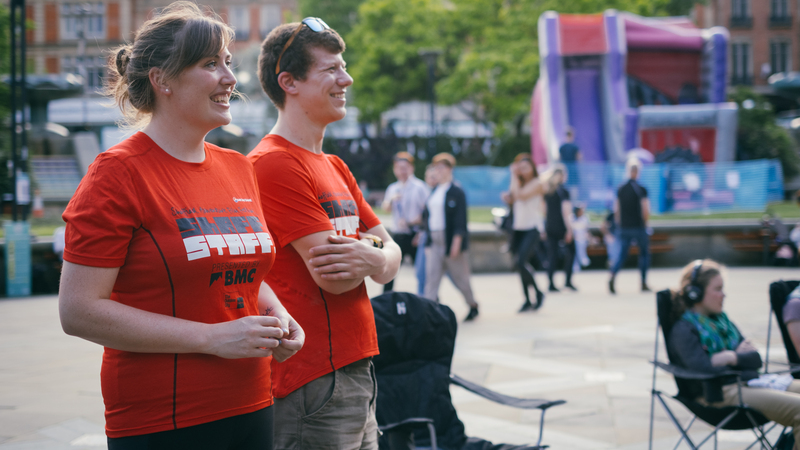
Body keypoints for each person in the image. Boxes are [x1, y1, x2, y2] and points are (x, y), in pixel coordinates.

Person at [58, 3, 304, 449]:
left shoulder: (237, 166)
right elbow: (78, 311)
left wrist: (279, 316)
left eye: (228, 62)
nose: (231, 78)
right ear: (163, 80)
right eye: (211, 64)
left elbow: (244, 268)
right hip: (162, 419)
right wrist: (210, 338)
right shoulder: (117, 173)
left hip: (252, 402)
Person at [248, 17, 402, 449]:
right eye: (331, 69)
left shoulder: (334, 166)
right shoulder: (274, 163)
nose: (346, 78)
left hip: (355, 367)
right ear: (289, 82)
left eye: (343, 66)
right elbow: (335, 278)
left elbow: (390, 256)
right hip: (312, 380)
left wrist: (374, 255)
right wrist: (377, 253)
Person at [668, 259, 800, 445]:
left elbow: (755, 359)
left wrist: (728, 357)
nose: (724, 295)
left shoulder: (723, 323)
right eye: (718, 289)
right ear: (695, 293)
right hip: (719, 394)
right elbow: (703, 369)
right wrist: (737, 355)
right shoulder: (684, 329)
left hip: (750, 381)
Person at [422, 152, 480, 321]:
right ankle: (428, 313)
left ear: (449, 169)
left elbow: (460, 221)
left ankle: (472, 305)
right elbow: (428, 218)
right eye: (435, 168)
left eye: (441, 167)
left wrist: (457, 243)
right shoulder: (434, 191)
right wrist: (427, 243)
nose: (437, 171)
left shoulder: (456, 191)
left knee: (461, 279)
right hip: (435, 241)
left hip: (450, 241)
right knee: (431, 280)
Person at [500, 153, 546, 312]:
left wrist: (513, 175)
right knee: (519, 265)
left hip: (532, 228)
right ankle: (527, 299)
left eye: (526, 168)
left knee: (521, 262)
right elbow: (513, 198)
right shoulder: (519, 183)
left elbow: (520, 195)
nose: (523, 171)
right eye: (521, 168)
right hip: (518, 228)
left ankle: (538, 293)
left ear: (533, 168)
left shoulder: (537, 183)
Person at [381, 151, 430, 292]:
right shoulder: (393, 188)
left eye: (405, 167)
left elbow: (427, 212)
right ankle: (386, 304)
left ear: (411, 168)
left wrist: (417, 226)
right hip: (398, 235)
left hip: (415, 235)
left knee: (422, 274)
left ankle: (430, 302)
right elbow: (386, 208)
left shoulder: (420, 187)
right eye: (398, 168)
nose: (402, 171)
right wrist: (392, 200)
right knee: (390, 272)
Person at [609, 158, 650, 294]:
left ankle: (613, 275)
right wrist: (645, 223)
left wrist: (619, 224)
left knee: (621, 255)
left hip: (624, 227)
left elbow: (617, 210)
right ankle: (643, 282)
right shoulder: (641, 189)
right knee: (643, 254)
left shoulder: (621, 188)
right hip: (638, 227)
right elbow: (645, 209)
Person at [542, 164, 576, 292]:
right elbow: (566, 212)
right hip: (561, 227)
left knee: (552, 256)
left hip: (550, 226)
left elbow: (544, 210)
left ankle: (551, 283)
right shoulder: (563, 191)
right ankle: (567, 280)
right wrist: (569, 230)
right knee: (572, 252)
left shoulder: (548, 191)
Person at [415, 164, 438, 296]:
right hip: (425, 236)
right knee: (421, 273)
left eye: (434, 176)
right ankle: (424, 299)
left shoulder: (440, 194)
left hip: (434, 238)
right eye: (429, 177)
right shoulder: (426, 192)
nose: (431, 179)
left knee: (454, 275)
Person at [572, 204, 590, 272]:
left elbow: (587, 231)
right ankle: (579, 263)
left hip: (583, 240)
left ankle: (583, 259)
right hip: (574, 240)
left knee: (580, 244)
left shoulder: (584, 219)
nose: (582, 211)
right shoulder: (572, 218)